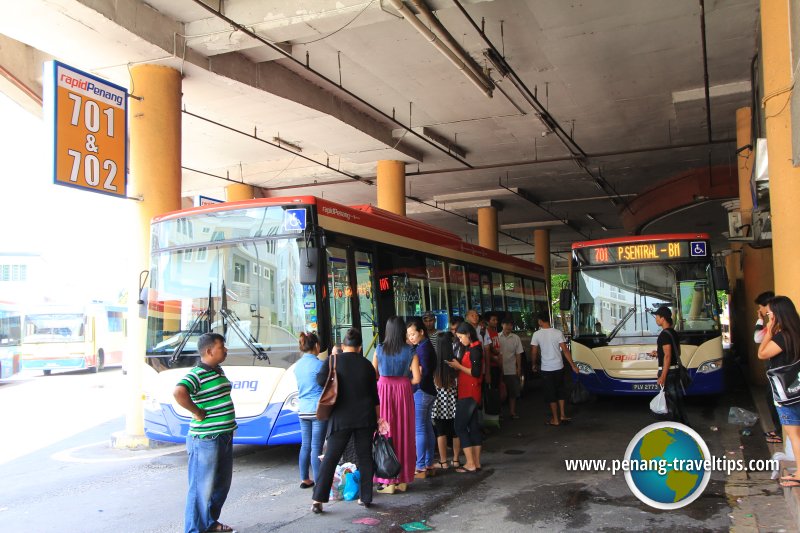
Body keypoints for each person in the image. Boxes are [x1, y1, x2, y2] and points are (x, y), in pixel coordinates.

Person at [311, 328, 383, 512]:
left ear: (343, 346)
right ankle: (365, 498)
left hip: (340, 418)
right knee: (365, 457)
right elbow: (375, 397)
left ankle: (318, 500)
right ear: (360, 347)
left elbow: (320, 381)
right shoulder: (367, 365)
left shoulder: (333, 360)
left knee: (331, 457)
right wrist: (378, 419)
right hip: (365, 418)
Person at [173, 333, 237, 533]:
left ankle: (209, 522)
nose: (225, 350)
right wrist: (197, 411)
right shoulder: (197, 373)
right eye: (222, 347)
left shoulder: (217, 370)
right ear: (209, 351)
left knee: (221, 485)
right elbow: (179, 392)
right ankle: (194, 529)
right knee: (201, 488)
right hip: (206, 439)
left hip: (224, 435)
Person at [372, 316, 421, 494]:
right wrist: (404, 380)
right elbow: (417, 378)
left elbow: (373, 373)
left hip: (383, 390)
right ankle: (403, 480)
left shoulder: (379, 349)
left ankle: (388, 480)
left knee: (386, 432)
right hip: (403, 390)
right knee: (404, 432)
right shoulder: (410, 351)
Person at [757, 296, 800, 488]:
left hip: (787, 394)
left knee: (794, 434)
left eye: (771, 314)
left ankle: (799, 473)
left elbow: (762, 353)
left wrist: (769, 330)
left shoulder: (783, 337)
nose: (769, 316)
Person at [446, 322, 484, 473]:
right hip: (471, 392)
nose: (460, 340)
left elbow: (475, 372)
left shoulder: (475, 350)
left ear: (468, 334)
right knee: (473, 426)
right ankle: (476, 462)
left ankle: (470, 463)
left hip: (469, 392)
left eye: (461, 337)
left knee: (459, 426)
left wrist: (458, 366)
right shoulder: (473, 347)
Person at [531, 314, 579, 426]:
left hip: (546, 369)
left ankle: (555, 419)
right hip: (559, 367)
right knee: (561, 391)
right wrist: (573, 365)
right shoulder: (558, 333)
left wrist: (533, 364)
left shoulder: (536, 334)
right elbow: (565, 351)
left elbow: (533, 352)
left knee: (550, 393)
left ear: (540, 321)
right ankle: (562, 415)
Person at [293, 332, 327, 489]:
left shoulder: (297, 366)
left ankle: (304, 478)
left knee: (305, 445)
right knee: (316, 447)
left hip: (303, 410)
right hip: (317, 410)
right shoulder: (319, 365)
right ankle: (319, 481)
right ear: (316, 346)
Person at [407, 317, 437, 479]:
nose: (411, 337)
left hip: (421, 390)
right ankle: (428, 462)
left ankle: (419, 466)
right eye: (409, 335)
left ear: (421, 332)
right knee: (426, 427)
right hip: (429, 391)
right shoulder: (425, 346)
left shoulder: (421, 350)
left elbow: (421, 372)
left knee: (419, 428)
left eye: (413, 334)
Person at [431, 317, 463, 469]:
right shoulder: (455, 362)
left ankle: (443, 461)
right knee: (456, 432)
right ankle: (456, 460)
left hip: (439, 404)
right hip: (454, 402)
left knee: (441, 432)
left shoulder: (434, 364)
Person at [649, 306, 690, 426]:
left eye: (657, 316)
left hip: (668, 373)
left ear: (663, 318)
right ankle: (684, 425)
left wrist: (663, 376)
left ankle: (674, 427)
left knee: (670, 403)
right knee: (677, 400)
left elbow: (667, 356)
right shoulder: (673, 333)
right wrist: (658, 354)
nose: (656, 319)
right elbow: (676, 353)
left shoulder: (664, 335)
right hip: (675, 371)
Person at [755, 291, 782, 444]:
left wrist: (764, 323)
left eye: (761, 306)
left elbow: (760, 348)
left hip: (779, 374)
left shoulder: (776, 328)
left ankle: (780, 432)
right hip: (778, 374)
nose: (761, 310)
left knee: (774, 399)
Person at [498, 317, 524, 419]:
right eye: (506, 324)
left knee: (512, 392)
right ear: (502, 325)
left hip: (512, 368)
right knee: (500, 393)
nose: (509, 327)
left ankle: (512, 412)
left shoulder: (516, 338)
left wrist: (518, 367)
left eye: (510, 325)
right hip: (499, 369)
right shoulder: (497, 337)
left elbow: (518, 354)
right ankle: (499, 413)